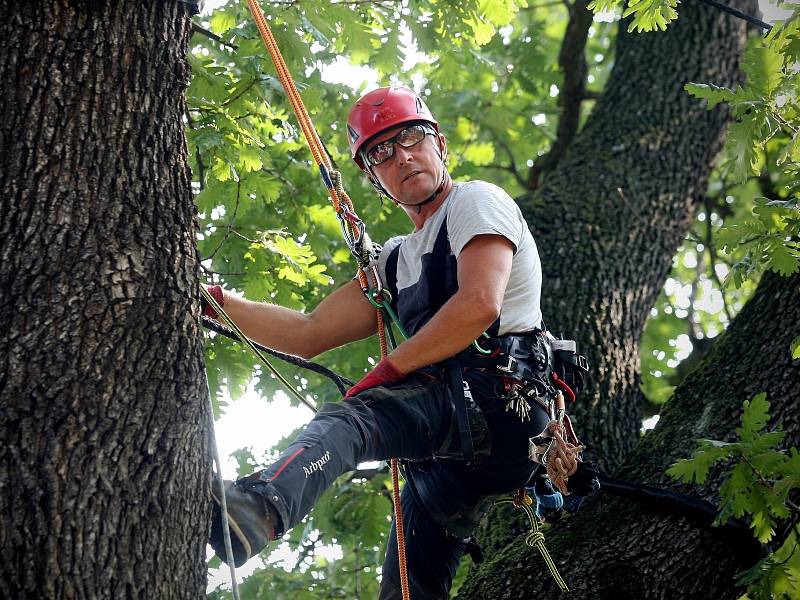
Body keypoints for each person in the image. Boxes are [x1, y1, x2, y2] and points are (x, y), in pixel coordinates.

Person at [205, 85, 584, 599]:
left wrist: (387, 373)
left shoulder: (476, 202)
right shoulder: (394, 260)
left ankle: (262, 507)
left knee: (350, 419)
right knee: (408, 585)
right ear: (374, 177)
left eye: (411, 139)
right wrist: (218, 303)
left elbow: (478, 305)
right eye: (382, 153)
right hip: (456, 444)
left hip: (499, 401)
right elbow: (308, 332)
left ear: (439, 145)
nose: (402, 157)